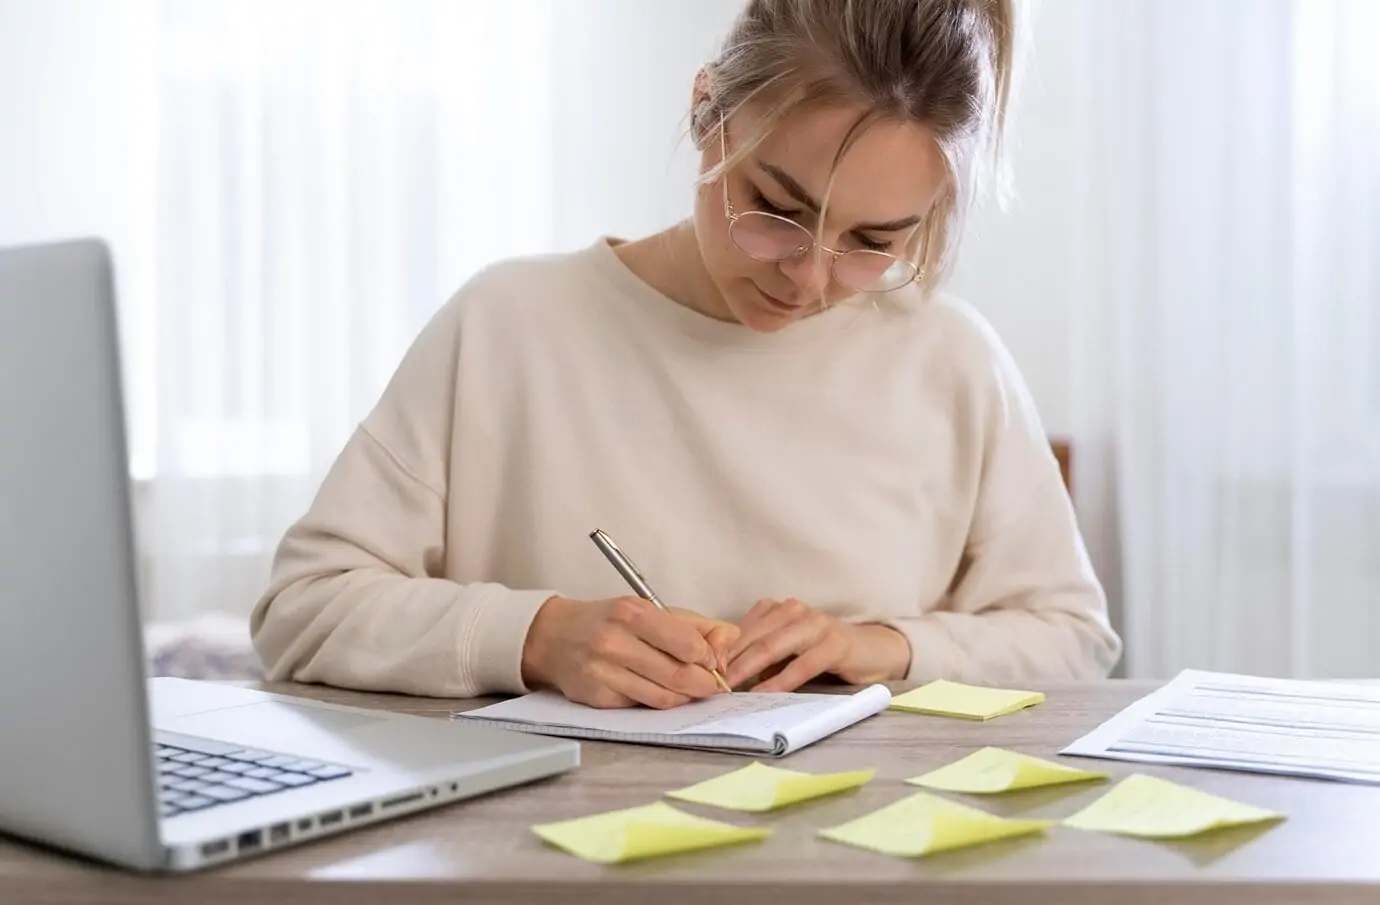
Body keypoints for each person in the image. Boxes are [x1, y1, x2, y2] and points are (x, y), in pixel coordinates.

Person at [249, 0, 1122, 709]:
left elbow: (1072, 637)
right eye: (777, 209)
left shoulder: (952, 362)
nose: (812, 278)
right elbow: (302, 607)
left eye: (872, 241)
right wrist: (539, 636)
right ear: (706, 109)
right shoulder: (507, 325)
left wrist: (886, 647)